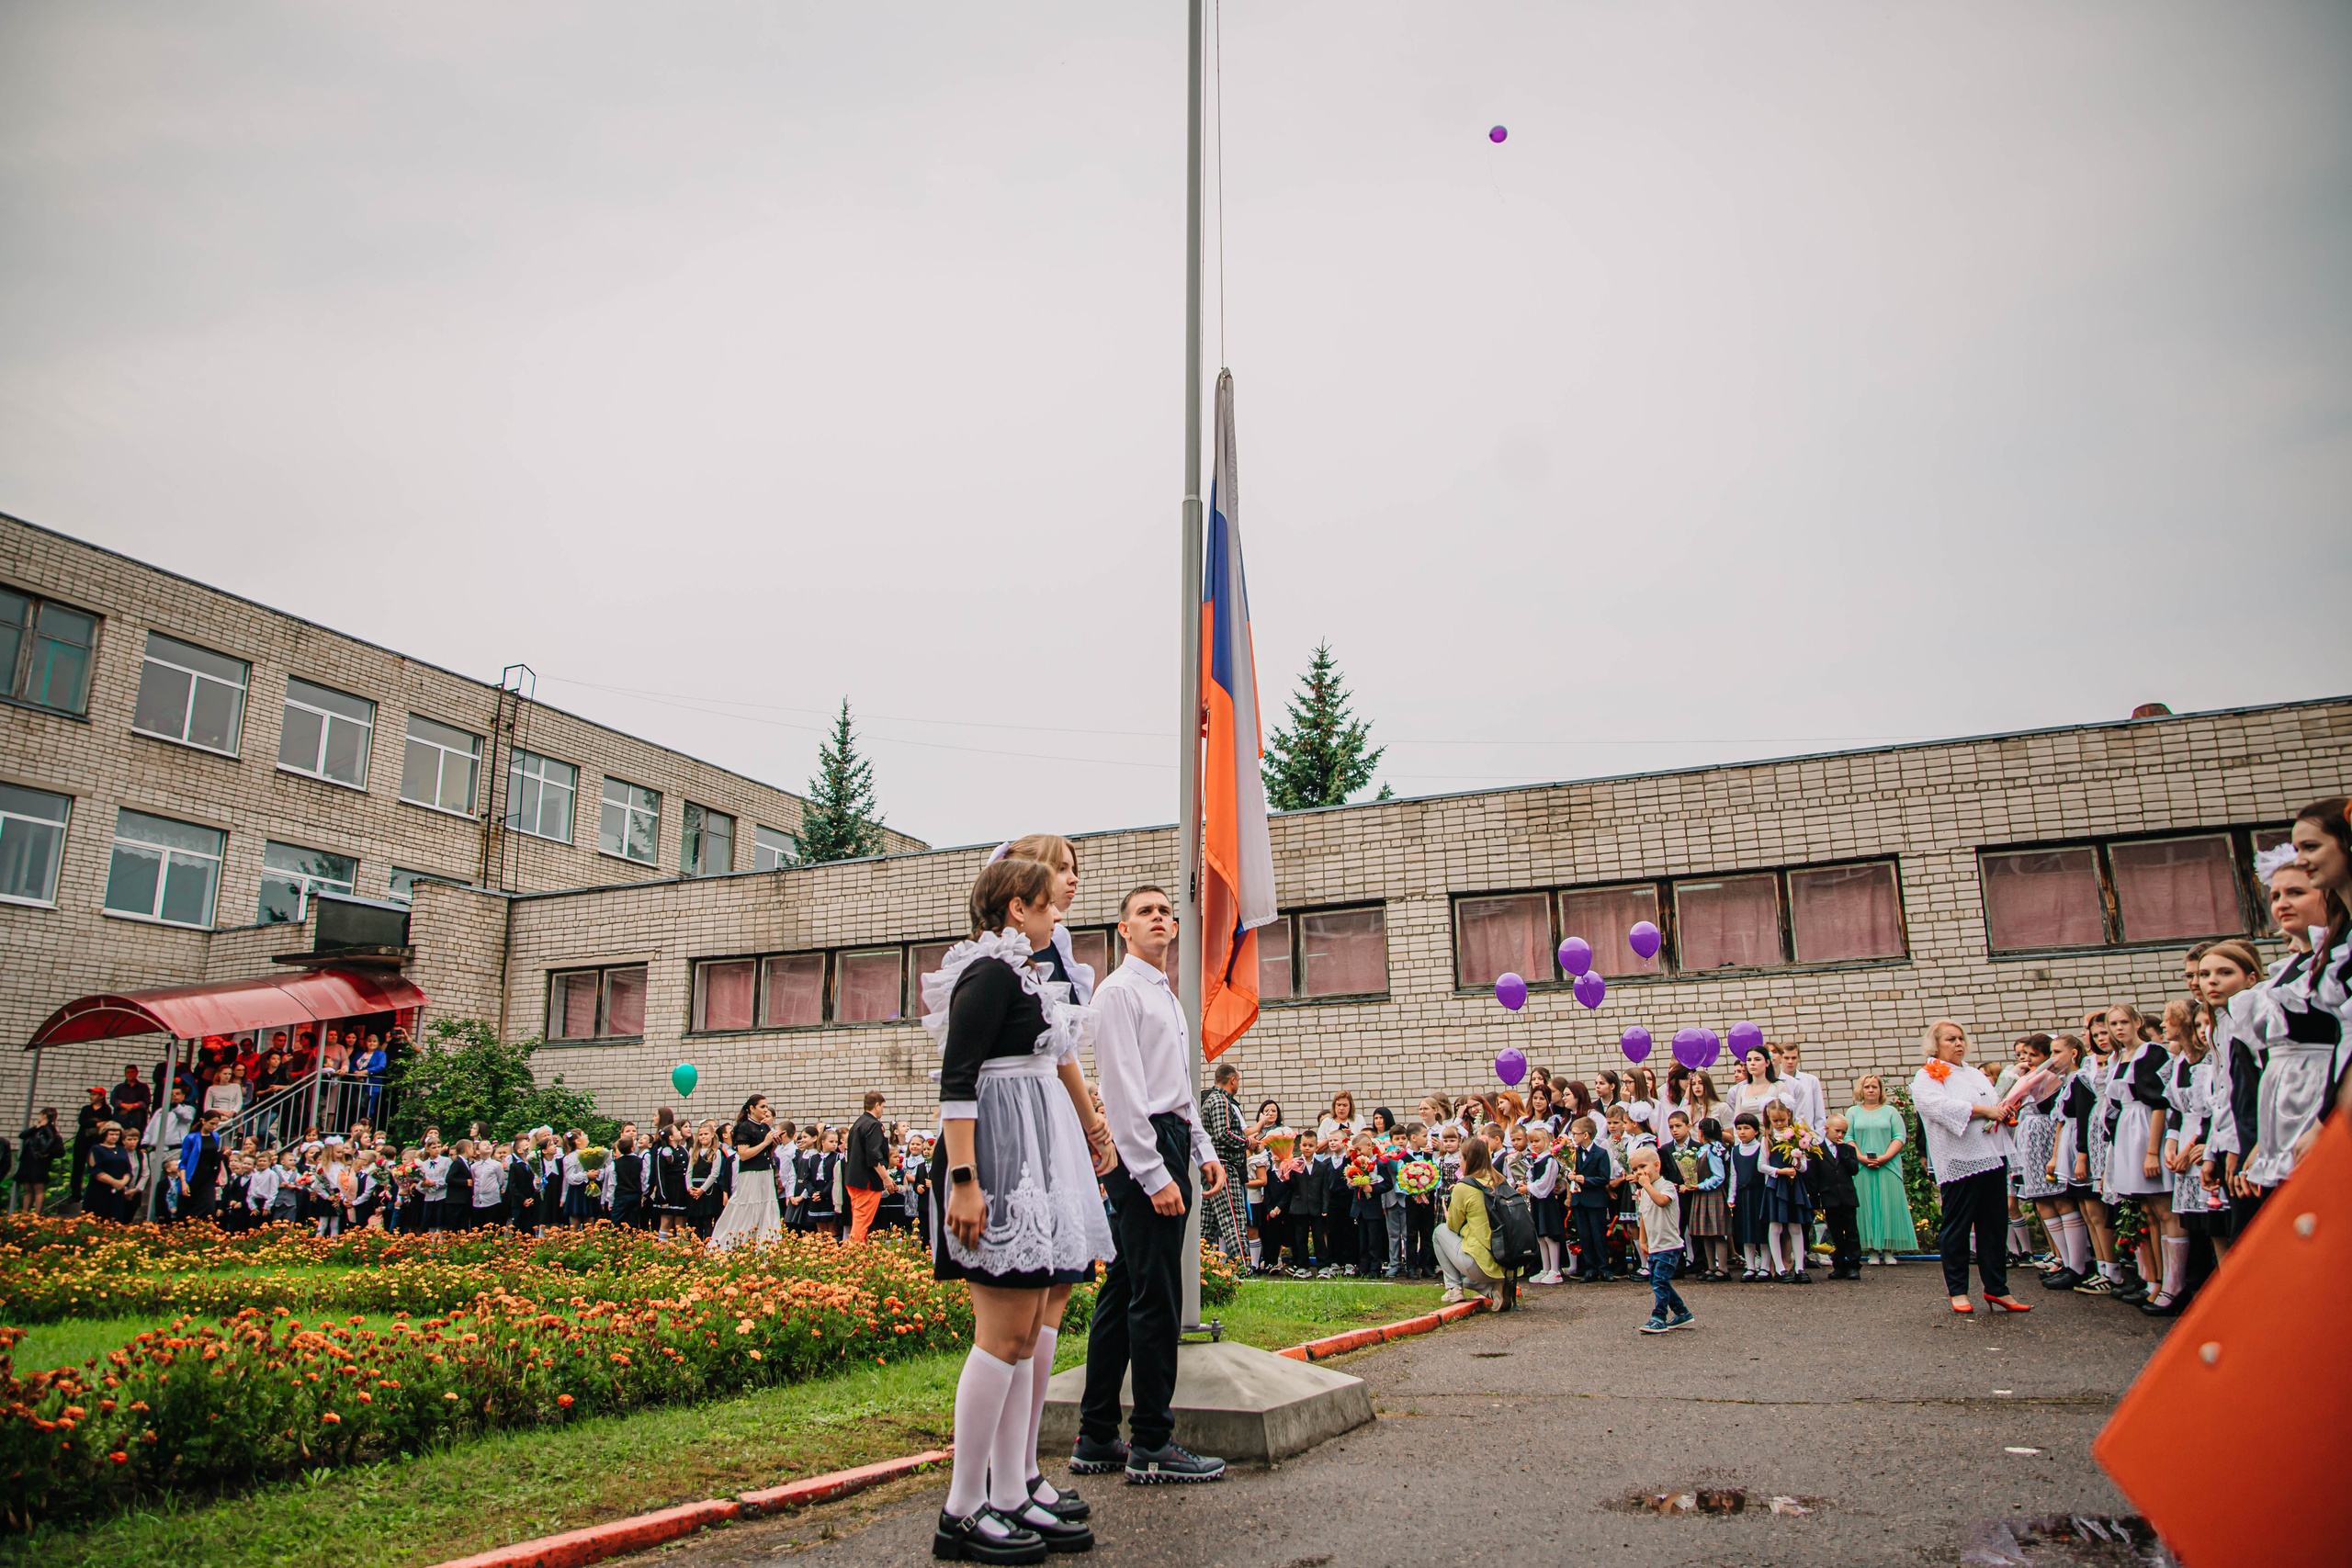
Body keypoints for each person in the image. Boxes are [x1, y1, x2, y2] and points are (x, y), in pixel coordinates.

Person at [928, 856, 1114, 1559]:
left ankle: (1009, 1490)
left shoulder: (1024, 974)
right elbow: (958, 1078)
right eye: (1048, 904)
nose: (1057, 914)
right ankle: (962, 1507)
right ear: (1016, 908)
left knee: (1027, 1328)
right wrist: (966, 1178)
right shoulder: (986, 972)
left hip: (1032, 1156)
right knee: (1001, 1334)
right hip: (998, 1165)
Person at [1076, 882, 1227, 1489]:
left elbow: (1178, 1086)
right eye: (1146, 911)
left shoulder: (1166, 993)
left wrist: (1203, 1148)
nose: (1160, 918)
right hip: (1144, 1150)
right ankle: (1153, 1442)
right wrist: (1154, 1172)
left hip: (1170, 1135)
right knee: (1157, 1295)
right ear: (1124, 928)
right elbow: (1123, 1091)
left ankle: (1095, 1433)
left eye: (1166, 911)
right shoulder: (1116, 993)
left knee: (1125, 1285)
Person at [1910, 1019, 2030, 1314]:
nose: (1958, 1043)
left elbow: (1994, 1101)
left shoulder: (1975, 1074)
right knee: (1958, 1226)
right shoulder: (1928, 1074)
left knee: (1993, 1225)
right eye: (1951, 1039)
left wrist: (2003, 1108)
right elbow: (1935, 1106)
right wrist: (1983, 1111)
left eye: (1961, 1038)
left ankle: (1997, 1288)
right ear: (1936, 1045)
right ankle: (1958, 1290)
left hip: (1991, 1155)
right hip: (1959, 1159)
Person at [1845, 1075, 1913, 1265]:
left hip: (1888, 1167)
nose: (1871, 1090)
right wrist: (1860, 1157)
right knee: (1867, 1206)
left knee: (1887, 1205)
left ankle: (1888, 1250)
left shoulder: (1890, 1111)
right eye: (1867, 1087)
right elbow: (1848, 1137)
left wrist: (1885, 1158)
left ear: (1881, 1090)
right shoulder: (1852, 1112)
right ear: (1861, 1090)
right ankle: (1872, 1251)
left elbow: (1899, 1136)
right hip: (1861, 1167)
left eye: (1875, 1086)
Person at [1627, 1146, 1693, 1333]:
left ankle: (1658, 1317)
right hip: (1655, 1245)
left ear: (1656, 1165)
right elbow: (1644, 1216)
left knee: (1660, 1280)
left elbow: (1662, 1201)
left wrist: (1646, 1186)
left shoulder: (1665, 1186)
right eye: (1635, 1170)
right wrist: (1642, 1240)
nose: (1639, 1173)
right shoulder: (1644, 1191)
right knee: (1657, 1280)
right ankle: (1681, 1312)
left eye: (1642, 1167)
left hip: (1669, 1245)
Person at [1433, 1134, 1504, 1306]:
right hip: (1508, 1261)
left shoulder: (1463, 1187)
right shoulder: (1501, 1180)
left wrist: (1448, 1213)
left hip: (1481, 1262)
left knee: (1439, 1231)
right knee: (1468, 1280)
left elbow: (1453, 1226)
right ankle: (1495, 1292)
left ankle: (1453, 1289)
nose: (1459, 1163)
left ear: (1468, 1160)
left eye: (1461, 1158)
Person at [709, 1096, 785, 1249]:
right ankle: (733, 1244)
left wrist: (773, 1146)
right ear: (752, 1108)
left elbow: (766, 1154)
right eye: (762, 1106)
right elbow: (743, 1154)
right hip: (751, 1174)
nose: (765, 1110)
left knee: (766, 1209)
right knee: (747, 1208)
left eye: (766, 1107)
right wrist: (766, 1142)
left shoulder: (764, 1128)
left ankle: (765, 1246)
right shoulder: (744, 1127)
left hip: (765, 1172)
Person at [1199, 1061, 1251, 1262]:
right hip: (1223, 1166)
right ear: (1232, 1080)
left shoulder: (1212, 1100)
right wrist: (1247, 1142)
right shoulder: (1221, 1100)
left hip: (1212, 1166)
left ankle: (1198, 1267)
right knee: (1234, 1218)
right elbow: (1223, 1134)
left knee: (1206, 1224)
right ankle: (1243, 1265)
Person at [843, 1090, 897, 1245]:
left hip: (853, 1179)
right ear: (877, 1105)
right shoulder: (873, 1125)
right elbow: (874, 1156)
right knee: (862, 1219)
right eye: (882, 1107)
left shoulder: (857, 1123)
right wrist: (886, 1178)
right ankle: (855, 1253)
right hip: (867, 1181)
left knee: (858, 1218)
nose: (882, 1111)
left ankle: (857, 1249)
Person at [1814, 1114, 1862, 1280]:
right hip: (1830, 1197)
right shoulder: (1817, 1151)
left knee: (1851, 1231)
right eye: (1837, 1131)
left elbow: (1854, 1169)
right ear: (1826, 1129)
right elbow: (1814, 1178)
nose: (1840, 1135)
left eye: (1843, 1132)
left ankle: (1854, 1264)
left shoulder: (1848, 1150)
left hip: (1847, 1197)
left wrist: (1844, 1152)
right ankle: (1839, 1264)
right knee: (1835, 1233)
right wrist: (1815, 1202)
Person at [1566, 1116, 1614, 1281]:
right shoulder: (1573, 1153)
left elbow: (1604, 1178)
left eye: (1576, 1134)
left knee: (1598, 1235)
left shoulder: (1600, 1153)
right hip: (1579, 1200)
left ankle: (1604, 1268)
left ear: (1586, 1135)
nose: (1573, 1137)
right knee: (1584, 1235)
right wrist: (1570, 1176)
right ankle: (1590, 1268)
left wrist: (1585, 1180)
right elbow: (1568, 1173)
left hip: (1595, 1200)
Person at [17, 1107, 63, 1214]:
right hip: (28, 1161)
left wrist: (44, 1152)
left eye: (39, 1115)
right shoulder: (38, 1128)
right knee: (28, 1189)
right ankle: (24, 1214)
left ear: (44, 1116)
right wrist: (37, 1127)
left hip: (39, 1162)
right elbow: (22, 1135)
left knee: (38, 1189)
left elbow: (51, 1140)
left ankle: (37, 1215)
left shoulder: (49, 1129)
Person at [85, 1122, 133, 1221]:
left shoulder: (122, 1149)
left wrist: (122, 1182)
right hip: (99, 1190)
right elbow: (95, 1170)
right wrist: (113, 1182)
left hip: (117, 1191)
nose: (114, 1137)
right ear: (105, 1134)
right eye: (111, 1134)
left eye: (117, 1134)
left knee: (115, 1218)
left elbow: (128, 1169)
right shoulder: (96, 1149)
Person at [108, 1065, 152, 1140]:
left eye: (132, 1072)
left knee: (136, 1139)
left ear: (137, 1073)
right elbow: (113, 1100)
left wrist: (134, 1105)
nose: (130, 1074)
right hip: (121, 1119)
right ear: (125, 1074)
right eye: (128, 1072)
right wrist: (123, 1105)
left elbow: (147, 1101)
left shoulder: (143, 1087)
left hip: (138, 1119)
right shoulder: (119, 1087)